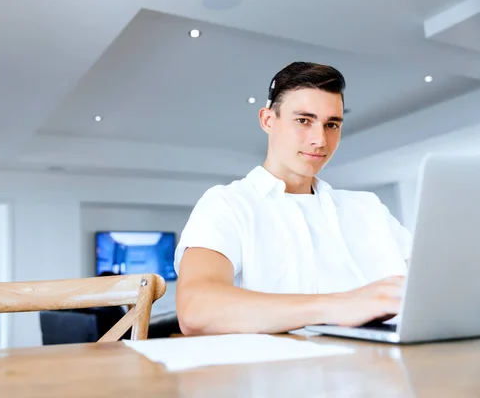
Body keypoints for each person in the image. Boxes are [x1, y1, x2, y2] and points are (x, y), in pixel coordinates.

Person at [174, 61, 411, 336]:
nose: (320, 139)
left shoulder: (369, 208)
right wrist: (339, 306)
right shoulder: (227, 204)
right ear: (267, 120)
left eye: (332, 124)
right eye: (303, 121)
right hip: (278, 374)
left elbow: (433, 286)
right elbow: (196, 310)